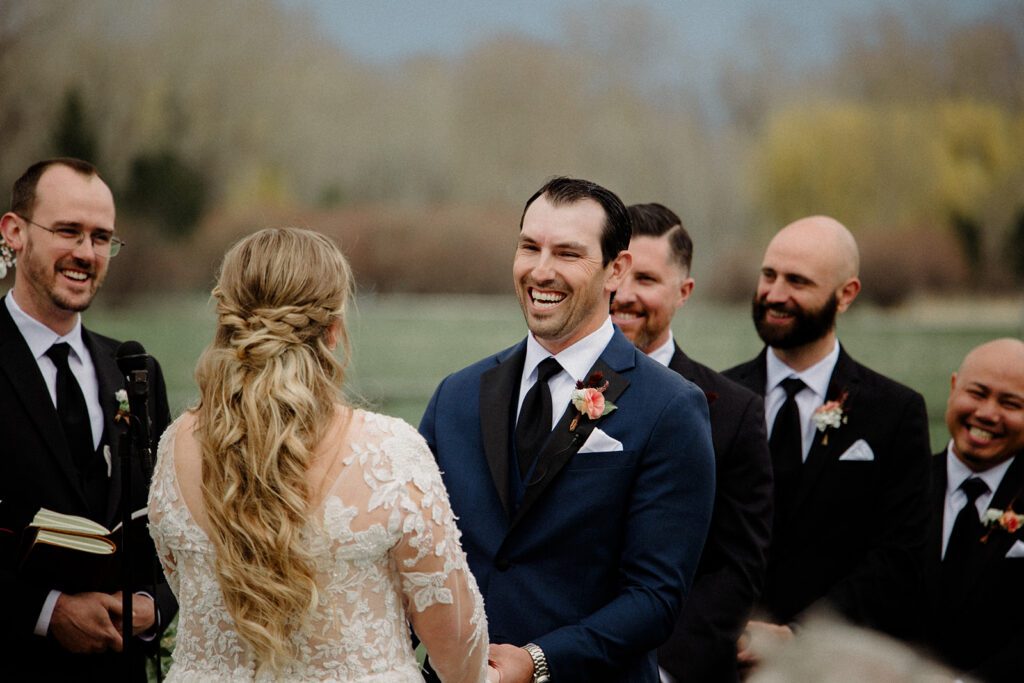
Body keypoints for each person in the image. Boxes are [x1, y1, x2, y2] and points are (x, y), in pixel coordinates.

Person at [148, 227, 492, 681]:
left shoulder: (177, 445)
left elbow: (184, 584)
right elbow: (456, 640)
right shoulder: (388, 453)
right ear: (332, 330)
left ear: (229, 323)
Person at [420, 177, 716, 683]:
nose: (541, 270)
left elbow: (655, 597)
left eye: (567, 253)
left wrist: (539, 661)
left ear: (615, 270)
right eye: (529, 247)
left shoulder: (671, 408)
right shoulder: (457, 395)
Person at [0, 158, 175, 680]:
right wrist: (44, 612)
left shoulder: (135, 369)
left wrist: (155, 605)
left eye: (102, 238)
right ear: (14, 233)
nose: (86, 253)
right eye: (68, 232)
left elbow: (168, 523)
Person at [722, 216, 931, 643]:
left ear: (846, 294)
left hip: (834, 656)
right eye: (769, 275)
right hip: (719, 650)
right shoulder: (713, 398)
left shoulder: (894, 413)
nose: (775, 294)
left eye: (798, 281)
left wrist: (798, 636)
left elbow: (897, 559)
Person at [611, 203, 772, 682]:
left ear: (683, 292)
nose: (624, 294)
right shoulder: (555, 392)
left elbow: (736, 567)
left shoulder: (733, 412)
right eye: (617, 274)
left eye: (646, 279)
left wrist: (662, 668)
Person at [836, 339, 1024, 682]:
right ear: (953, 388)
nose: (987, 413)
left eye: (1011, 403)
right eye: (978, 393)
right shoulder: (896, 485)